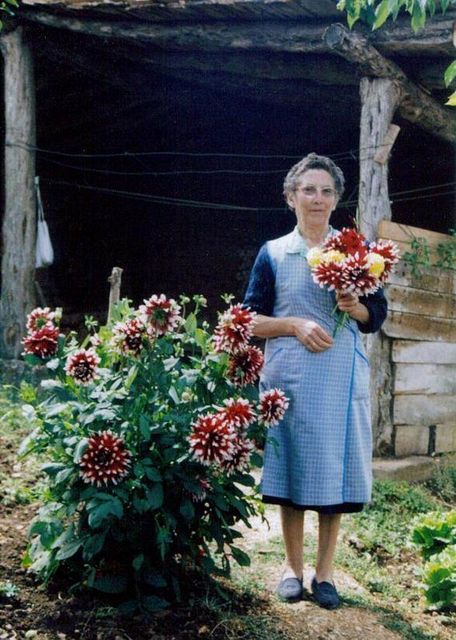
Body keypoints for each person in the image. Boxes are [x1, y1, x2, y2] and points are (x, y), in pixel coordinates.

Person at [243, 153, 387, 609]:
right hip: (290, 378)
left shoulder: (357, 252)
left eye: (326, 191)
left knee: (333, 470)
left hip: (339, 378)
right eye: (308, 190)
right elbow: (248, 320)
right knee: (292, 467)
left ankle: (324, 573)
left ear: (336, 199)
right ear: (291, 197)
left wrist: (355, 306)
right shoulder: (274, 253)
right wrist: (293, 325)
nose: (317, 198)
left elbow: (376, 315)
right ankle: (292, 567)